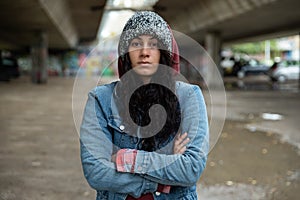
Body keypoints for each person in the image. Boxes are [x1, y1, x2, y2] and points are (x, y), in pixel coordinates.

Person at [80, 11, 209, 200]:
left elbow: (191, 169)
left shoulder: (189, 96)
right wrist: (161, 178)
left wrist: (127, 160)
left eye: (154, 44)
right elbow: (96, 172)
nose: (145, 52)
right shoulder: (101, 99)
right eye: (136, 44)